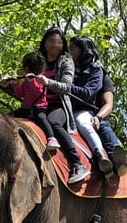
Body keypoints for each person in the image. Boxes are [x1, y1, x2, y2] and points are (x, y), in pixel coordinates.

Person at [34, 26, 89, 184]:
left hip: (58, 105)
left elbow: (66, 87)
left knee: (54, 122)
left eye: (58, 42)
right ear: (44, 43)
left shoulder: (66, 61)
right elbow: (27, 85)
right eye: (51, 41)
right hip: (37, 104)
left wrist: (48, 82)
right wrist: (9, 85)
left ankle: (77, 163)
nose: (54, 45)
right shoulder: (38, 61)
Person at [67, 35, 111, 174]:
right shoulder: (65, 68)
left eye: (72, 48)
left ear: (83, 50)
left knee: (84, 123)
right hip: (62, 108)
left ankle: (100, 154)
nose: (68, 51)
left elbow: (87, 93)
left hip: (82, 110)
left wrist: (63, 87)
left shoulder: (95, 71)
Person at [0, 51, 58, 149]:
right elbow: (20, 94)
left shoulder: (40, 79)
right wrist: (16, 84)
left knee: (42, 118)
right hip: (25, 108)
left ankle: (51, 138)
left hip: (38, 108)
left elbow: (38, 92)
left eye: (25, 67)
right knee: (8, 116)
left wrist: (32, 81)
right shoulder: (26, 81)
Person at [92, 69, 127, 177]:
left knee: (103, 127)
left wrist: (98, 117)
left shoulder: (103, 77)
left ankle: (117, 161)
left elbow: (108, 105)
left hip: (97, 117)